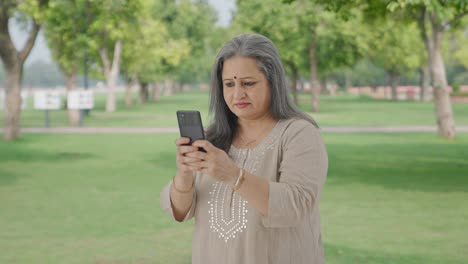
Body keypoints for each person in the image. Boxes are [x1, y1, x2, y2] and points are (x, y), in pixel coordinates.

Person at [160, 33, 328, 264]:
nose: (237, 94)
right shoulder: (213, 139)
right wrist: (185, 173)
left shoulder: (299, 133)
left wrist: (232, 174)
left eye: (248, 83)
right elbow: (180, 212)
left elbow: (295, 207)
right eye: (229, 84)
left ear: (273, 82)